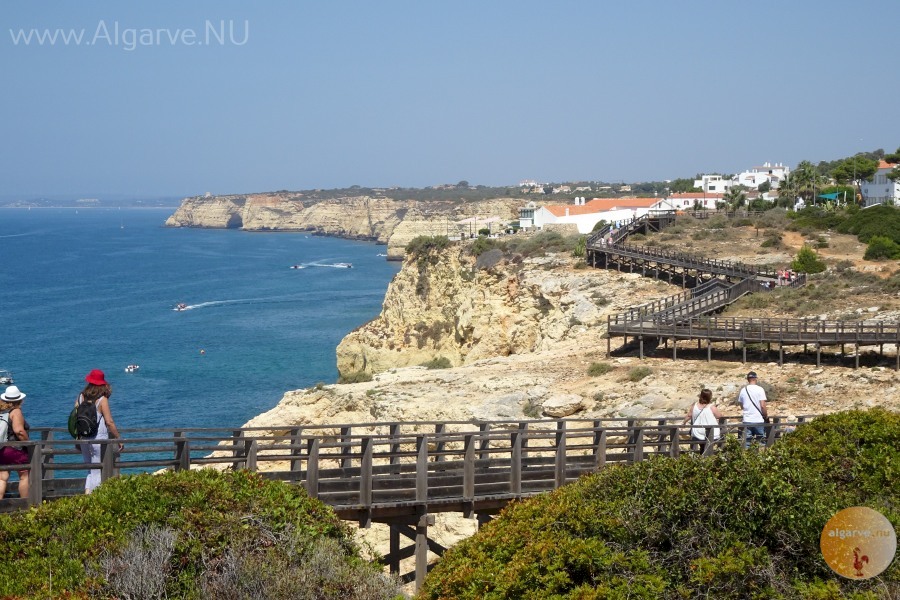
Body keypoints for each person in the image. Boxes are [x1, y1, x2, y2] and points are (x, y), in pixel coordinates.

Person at [76, 369, 123, 493]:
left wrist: (77, 437)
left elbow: (74, 418)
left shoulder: (81, 397)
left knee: (90, 469)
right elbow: (109, 422)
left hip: (84, 438)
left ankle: (87, 494)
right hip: (98, 438)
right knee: (97, 470)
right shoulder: (102, 400)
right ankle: (94, 499)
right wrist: (118, 438)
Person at [0, 385, 30, 499]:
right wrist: (28, 443)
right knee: (24, 475)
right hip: (14, 449)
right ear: (19, 399)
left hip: (2, 448)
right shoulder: (16, 411)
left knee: (2, 477)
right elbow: (19, 431)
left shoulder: (2, 411)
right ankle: (25, 505)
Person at [683, 388, 722, 454]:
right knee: (708, 447)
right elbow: (719, 416)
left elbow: (689, 415)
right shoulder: (711, 407)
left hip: (697, 432)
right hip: (710, 432)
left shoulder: (694, 406)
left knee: (702, 447)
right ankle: (707, 460)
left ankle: (702, 458)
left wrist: (684, 422)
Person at [736, 371, 768, 447]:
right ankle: (760, 457)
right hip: (758, 419)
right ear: (756, 378)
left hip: (747, 420)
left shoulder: (743, 390)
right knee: (761, 442)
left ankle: (748, 457)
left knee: (747, 443)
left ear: (748, 379)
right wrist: (765, 416)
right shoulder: (760, 389)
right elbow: (763, 405)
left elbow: (741, 405)